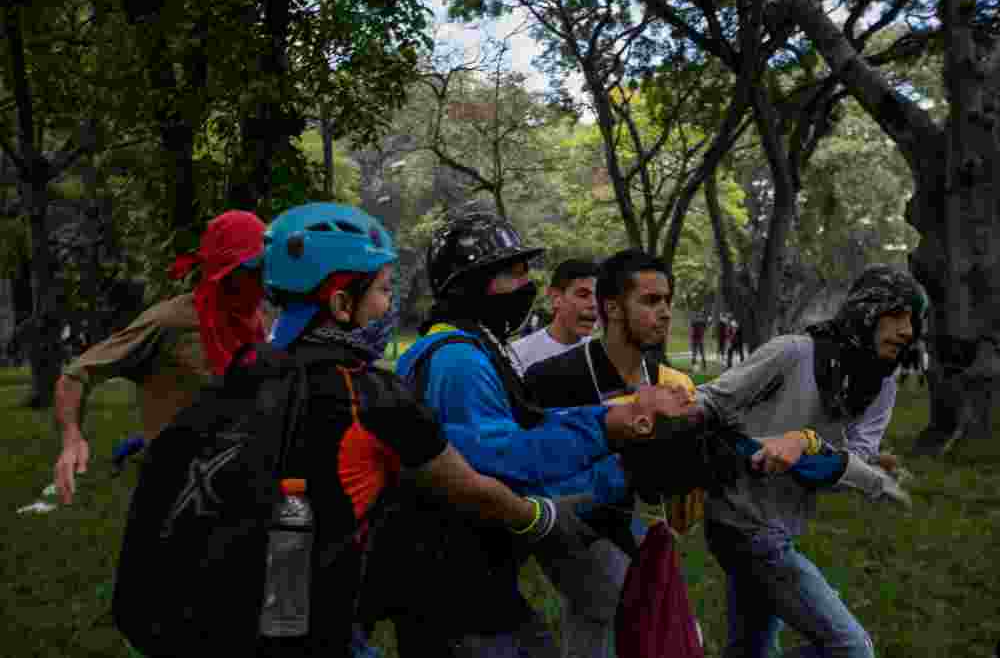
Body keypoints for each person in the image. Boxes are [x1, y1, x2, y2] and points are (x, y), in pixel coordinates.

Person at [257, 202, 604, 657]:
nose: (389, 306)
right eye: (382, 291)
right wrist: (547, 515)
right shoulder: (374, 393)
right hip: (426, 598)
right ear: (342, 304)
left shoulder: (252, 381)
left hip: (282, 610)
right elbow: (473, 480)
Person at [383, 211, 692, 658]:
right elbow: (505, 463)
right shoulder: (458, 361)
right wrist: (610, 426)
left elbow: (526, 428)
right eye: (513, 274)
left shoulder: (474, 346)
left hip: (477, 577)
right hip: (453, 585)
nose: (526, 285)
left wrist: (614, 444)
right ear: (472, 283)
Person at [690, 265, 925, 658]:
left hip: (783, 523)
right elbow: (712, 400)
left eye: (914, 321)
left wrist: (811, 446)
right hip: (744, 523)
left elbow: (852, 464)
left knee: (751, 647)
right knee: (852, 650)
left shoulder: (881, 385)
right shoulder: (793, 353)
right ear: (867, 311)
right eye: (898, 316)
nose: (909, 331)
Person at [523, 249, 704, 658]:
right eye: (650, 300)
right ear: (613, 308)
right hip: (566, 522)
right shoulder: (551, 377)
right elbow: (532, 463)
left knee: (646, 626)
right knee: (622, 604)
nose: (665, 312)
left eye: (668, 300)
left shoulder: (663, 376)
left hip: (634, 520)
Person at [53, 210, 268, 505]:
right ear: (224, 272)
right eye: (253, 269)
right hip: (174, 491)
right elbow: (78, 373)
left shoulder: (260, 322)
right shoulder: (169, 322)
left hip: (241, 486)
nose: (263, 280)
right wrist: (71, 436)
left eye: (266, 268)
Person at [510, 258, 598, 376]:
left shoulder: (603, 355)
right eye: (583, 295)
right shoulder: (517, 356)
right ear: (556, 297)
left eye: (599, 297)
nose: (594, 304)